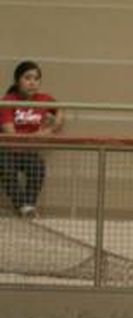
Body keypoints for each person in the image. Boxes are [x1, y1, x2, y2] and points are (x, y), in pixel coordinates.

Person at [0, 60, 63, 218]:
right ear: (17, 81)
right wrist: (37, 136)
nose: (32, 83)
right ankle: (24, 206)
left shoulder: (43, 99)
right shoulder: (8, 101)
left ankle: (28, 206)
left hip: (26, 151)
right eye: (27, 78)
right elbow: (10, 133)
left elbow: (60, 109)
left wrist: (52, 128)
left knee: (38, 167)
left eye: (36, 79)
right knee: (7, 170)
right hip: (6, 150)